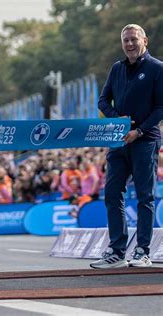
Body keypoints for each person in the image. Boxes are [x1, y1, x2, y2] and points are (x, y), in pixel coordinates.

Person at [90, 24, 163, 269]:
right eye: (125, 40)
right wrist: (116, 119)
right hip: (118, 140)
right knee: (112, 194)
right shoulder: (117, 68)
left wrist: (138, 130)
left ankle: (143, 251)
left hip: (145, 140)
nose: (129, 44)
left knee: (145, 196)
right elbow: (102, 100)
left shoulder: (157, 68)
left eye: (133, 39)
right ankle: (116, 251)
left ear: (145, 41)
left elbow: (161, 107)